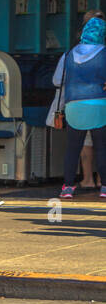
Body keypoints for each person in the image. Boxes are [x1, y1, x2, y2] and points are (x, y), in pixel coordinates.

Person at [51, 11, 106, 199]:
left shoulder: (68, 54)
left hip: (74, 105)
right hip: (99, 104)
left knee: (73, 147)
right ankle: (104, 187)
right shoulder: (104, 52)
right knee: (101, 147)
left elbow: (58, 80)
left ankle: (67, 187)